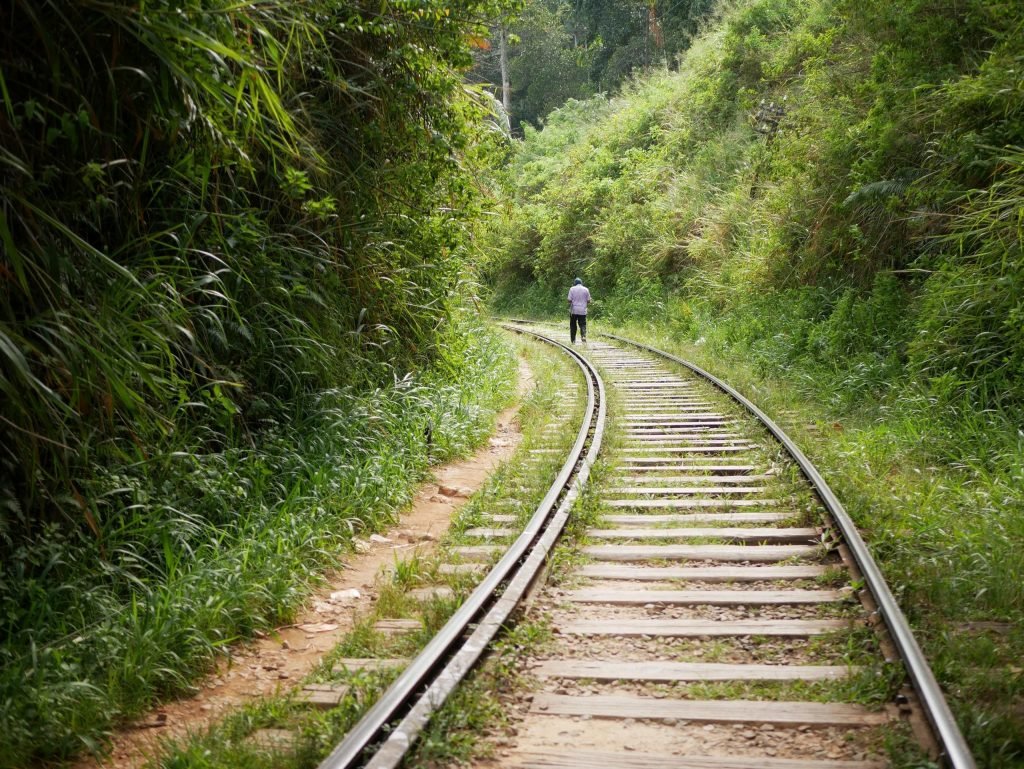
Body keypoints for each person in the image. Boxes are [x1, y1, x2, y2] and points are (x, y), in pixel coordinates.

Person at [567, 277, 591, 344]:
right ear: (581, 283)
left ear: (575, 283)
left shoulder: (572, 289)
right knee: (583, 324)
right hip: (583, 310)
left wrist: (572, 301)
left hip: (574, 310)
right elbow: (589, 300)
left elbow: (569, 300)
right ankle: (583, 336)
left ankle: (573, 340)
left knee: (573, 325)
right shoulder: (586, 289)